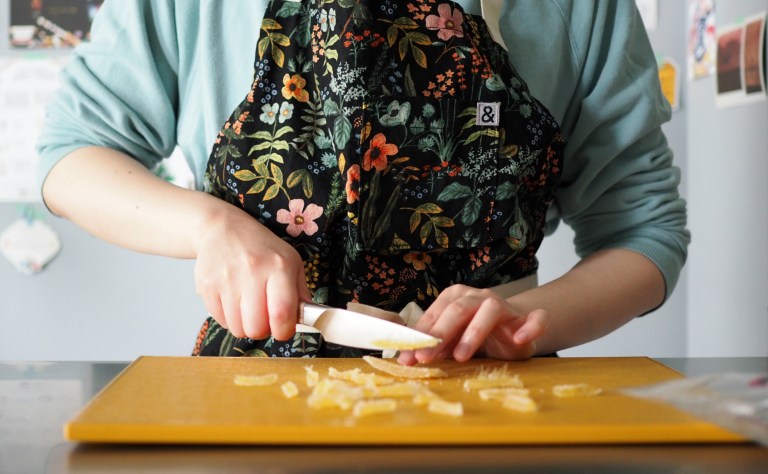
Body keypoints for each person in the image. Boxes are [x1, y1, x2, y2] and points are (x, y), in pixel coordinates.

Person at [37, 0, 689, 364]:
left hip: (492, 400)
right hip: (254, 402)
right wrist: (211, 228)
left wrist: (528, 322)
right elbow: (71, 155)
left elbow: (645, 230)